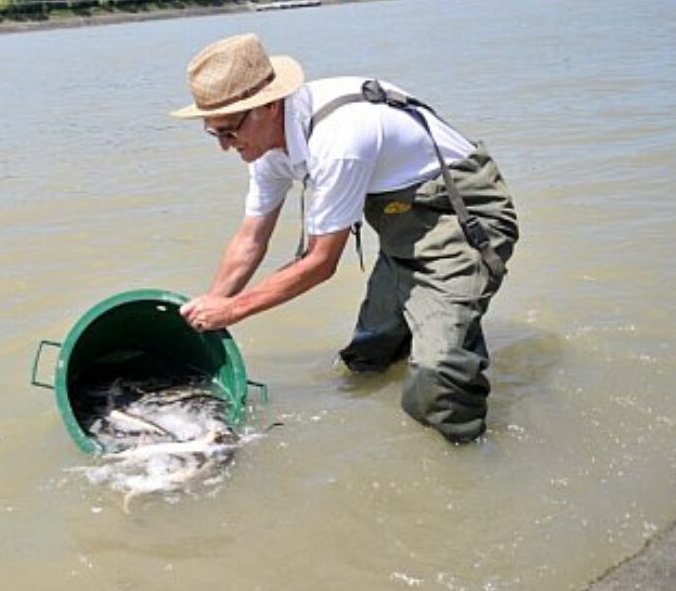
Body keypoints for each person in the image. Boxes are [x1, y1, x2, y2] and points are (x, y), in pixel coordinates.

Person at [171, 33, 518, 444]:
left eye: (229, 132)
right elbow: (250, 239)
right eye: (215, 135)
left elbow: (320, 263)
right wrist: (209, 313)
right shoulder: (266, 145)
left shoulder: (338, 141)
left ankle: (470, 456)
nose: (225, 148)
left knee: (438, 374)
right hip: (402, 227)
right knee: (370, 355)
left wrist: (234, 311)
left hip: (461, 219)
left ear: (266, 106)